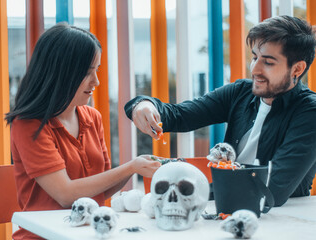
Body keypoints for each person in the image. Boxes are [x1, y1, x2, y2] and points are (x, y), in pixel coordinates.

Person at [124, 15, 316, 207]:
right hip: (225, 206)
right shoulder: (240, 93)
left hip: (282, 219)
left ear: (297, 69)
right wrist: (143, 104)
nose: (255, 69)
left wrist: (189, 189)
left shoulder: (309, 111)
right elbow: (179, 116)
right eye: (255, 57)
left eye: (268, 62)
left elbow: (271, 189)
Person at [5, 23, 160, 239]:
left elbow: (101, 189)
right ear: (60, 74)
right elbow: (65, 195)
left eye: (96, 70)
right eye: (87, 73)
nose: (96, 81)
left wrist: (137, 166)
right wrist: (130, 167)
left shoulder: (92, 117)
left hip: (91, 233)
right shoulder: (28, 124)